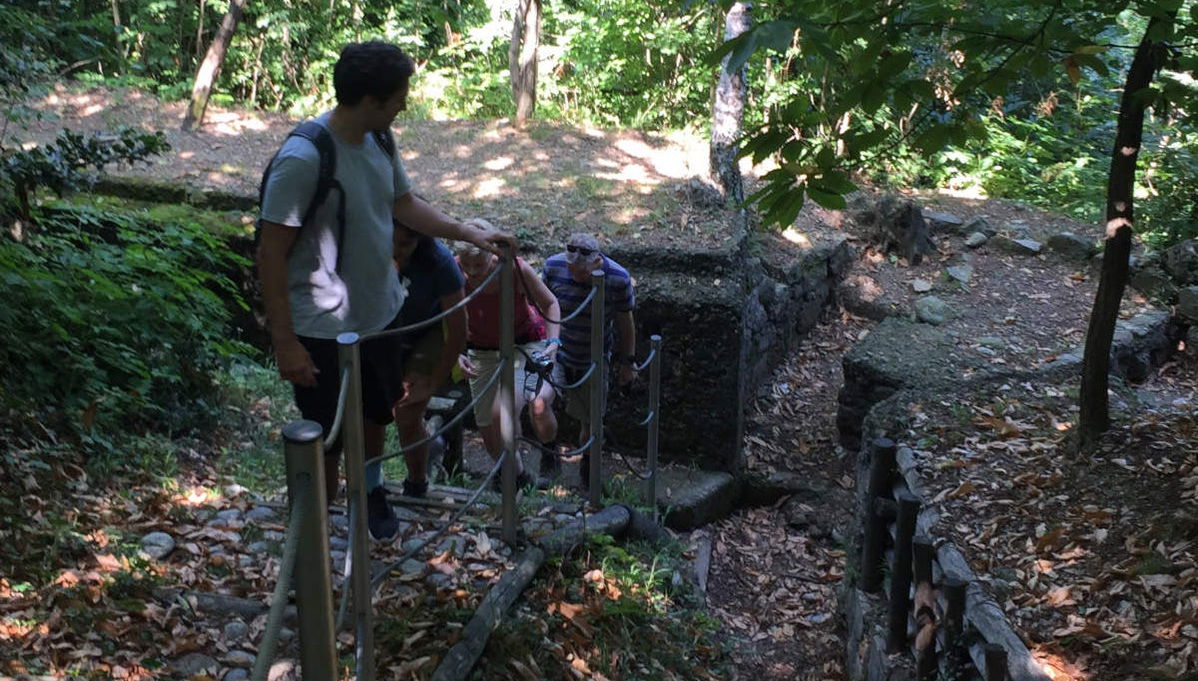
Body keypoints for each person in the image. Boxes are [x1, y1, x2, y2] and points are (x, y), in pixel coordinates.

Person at [256, 41, 512, 541]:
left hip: (380, 312)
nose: (404, 104)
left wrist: (469, 233)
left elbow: (404, 203)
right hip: (321, 327)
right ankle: (321, 536)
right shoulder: (304, 159)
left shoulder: (380, 140)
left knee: (375, 413)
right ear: (369, 100)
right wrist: (285, 341)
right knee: (325, 434)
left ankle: (369, 491)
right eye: (399, 96)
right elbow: (270, 253)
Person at [360, 221, 466, 518]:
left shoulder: (440, 263)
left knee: (407, 412)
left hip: (427, 333)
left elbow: (458, 329)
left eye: (405, 244)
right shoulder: (365, 251)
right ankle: (371, 483)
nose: (397, 250)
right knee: (373, 406)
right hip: (382, 330)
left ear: (420, 240)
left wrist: (433, 381)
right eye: (391, 242)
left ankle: (417, 481)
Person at [455, 233, 562, 487]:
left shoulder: (515, 269)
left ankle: (547, 453)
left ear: (491, 255)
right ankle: (518, 475)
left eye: (478, 265)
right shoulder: (454, 270)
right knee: (486, 427)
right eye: (466, 265)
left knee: (500, 412)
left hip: (523, 344)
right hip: (481, 349)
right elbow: (452, 314)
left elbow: (550, 303)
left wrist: (554, 342)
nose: (472, 272)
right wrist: (457, 351)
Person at [542, 233, 636, 489]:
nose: (575, 274)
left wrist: (628, 363)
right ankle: (549, 461)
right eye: (571, 268)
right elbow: (541, 306)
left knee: (592, 420)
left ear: (597, 262)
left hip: (593, 357)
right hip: (557, 350)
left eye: (582, 271)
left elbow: (625, 323)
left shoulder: (618, 278)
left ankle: (588, 472)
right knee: (539, 403)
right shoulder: (553, 267)